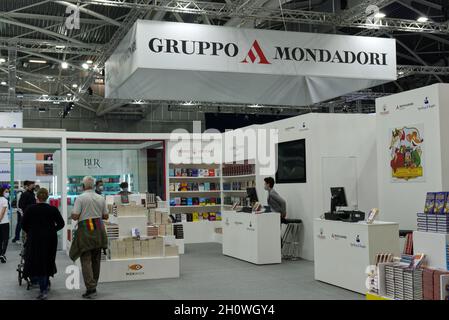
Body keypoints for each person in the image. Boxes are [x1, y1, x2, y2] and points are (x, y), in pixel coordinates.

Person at [69, 176, 108, 299]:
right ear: (94, 185)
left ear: (83, 186)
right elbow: (106, 216)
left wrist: (75, 214)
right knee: (96, 259)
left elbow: (75, 216)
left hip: (86, 230)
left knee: (86, 260)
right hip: (99, 230)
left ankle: (90, 288)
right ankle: (94, 285)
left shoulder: (80, 198)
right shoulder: (101, 198)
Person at [21, 188, 64, 300]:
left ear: (37, 197)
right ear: (47, 197)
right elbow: (61, 223)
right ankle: (46, 282)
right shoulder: (52, 209)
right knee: (48, 260)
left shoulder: (30, 209)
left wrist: (30, 231)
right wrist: (52, 230)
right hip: (50, 239)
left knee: (37, 261)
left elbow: (23, 224)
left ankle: (43, 289)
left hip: (35, 239)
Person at [0, 187, 10, 263]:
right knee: (5, 239)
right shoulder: (4, 200)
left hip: (2, 223)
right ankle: (2, 254)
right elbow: (3, 212)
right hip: (4, 222)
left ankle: (0, 253)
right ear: (3, 192)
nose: (7, 193)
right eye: (6, 191)